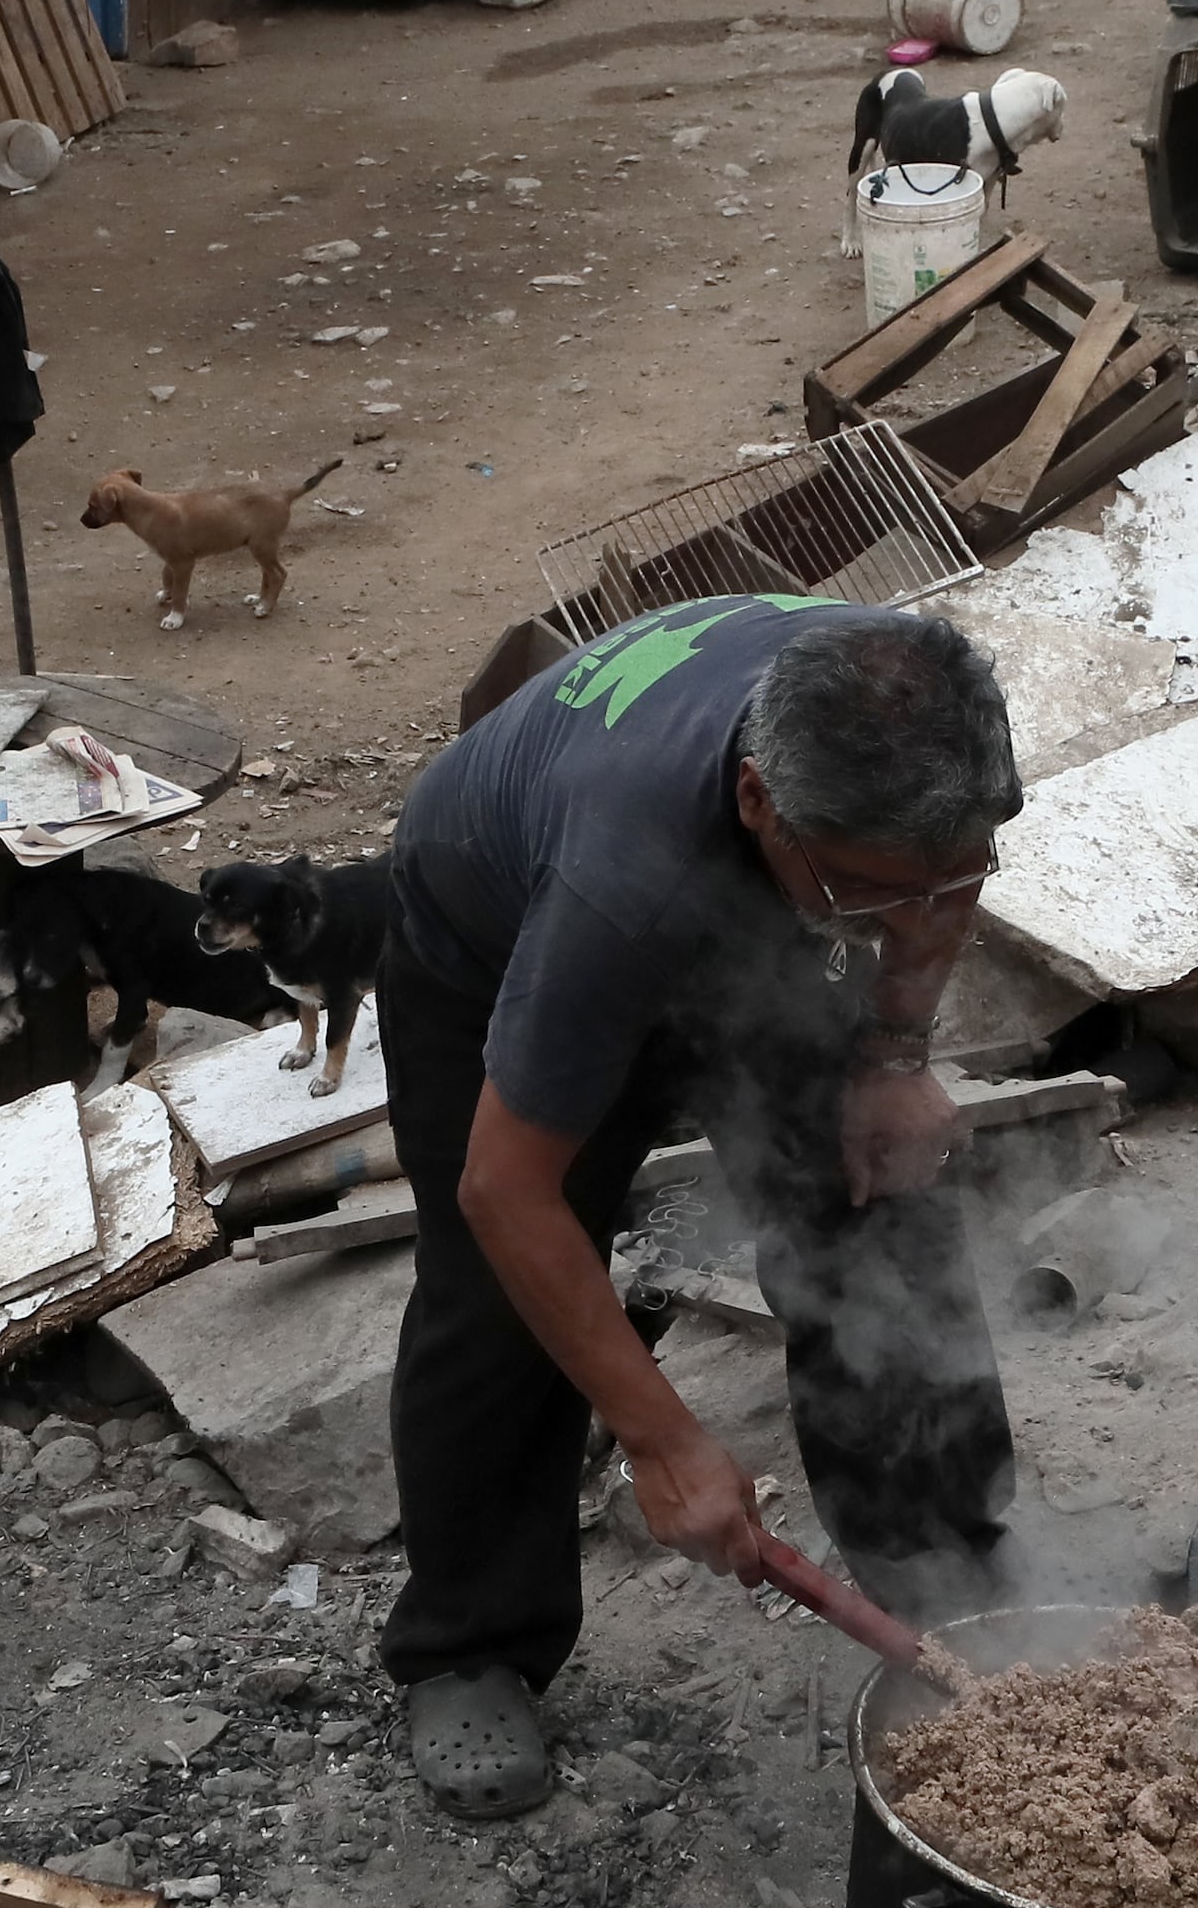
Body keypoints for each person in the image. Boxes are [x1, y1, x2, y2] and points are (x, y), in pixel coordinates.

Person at [372, 594, 1024, 1819]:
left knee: (873, 1193)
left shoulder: (920, 731)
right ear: (758, 806)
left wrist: (892, 1055)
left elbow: (931, 885)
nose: (926, 910)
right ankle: (468, 1643)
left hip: (763, 892)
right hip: (488, 921)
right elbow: (504, 1190)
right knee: (496, 1289)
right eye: (881, 891)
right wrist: (666, 1442)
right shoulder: (628, 882)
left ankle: (941, 1556)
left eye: (948, 877)